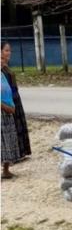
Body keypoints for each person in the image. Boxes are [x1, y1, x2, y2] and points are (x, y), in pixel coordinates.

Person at [1, 42, 31, 178]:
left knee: (12, 133)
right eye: (6, 50)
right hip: (4, 105)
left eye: (9, 51)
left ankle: (12, 161)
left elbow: (12, 86)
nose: (9, 53)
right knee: (5, 136)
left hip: (12, 101)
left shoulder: (6, 68)